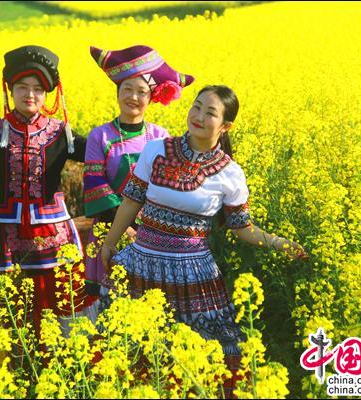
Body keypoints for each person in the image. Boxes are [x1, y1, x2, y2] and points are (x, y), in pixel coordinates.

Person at [100, 85, 308, 398]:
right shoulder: (156, 150)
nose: (198, 116)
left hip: (192, 276)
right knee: (133, 353)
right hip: (141, 265)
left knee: (204, 358)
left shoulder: (230, 173)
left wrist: (280, 243)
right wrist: (110, 243)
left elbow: (242, 228)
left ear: (226, 126)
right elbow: (131, 200)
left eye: (210, 112)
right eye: (196, 107)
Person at [0, 45, 92, 335]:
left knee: (62, 302)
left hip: (54, 233)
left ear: (47, 95)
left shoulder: (60, 132)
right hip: (8, 233)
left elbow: (100, 152)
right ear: (10, 90)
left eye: (37, 89)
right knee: (10, 304)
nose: (30, 94)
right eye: (22, 87)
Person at [83, 45, 195, 317]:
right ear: (117, 93)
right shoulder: (100, 136)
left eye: (142, 92)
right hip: (110, 231)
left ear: (151, 97)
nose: (133, 97)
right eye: (127, 89)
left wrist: (146, 227)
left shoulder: (160, 136)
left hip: (151, 233)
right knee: (109, 311)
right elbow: (97, 185)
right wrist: (123, 229)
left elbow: (167, 188)